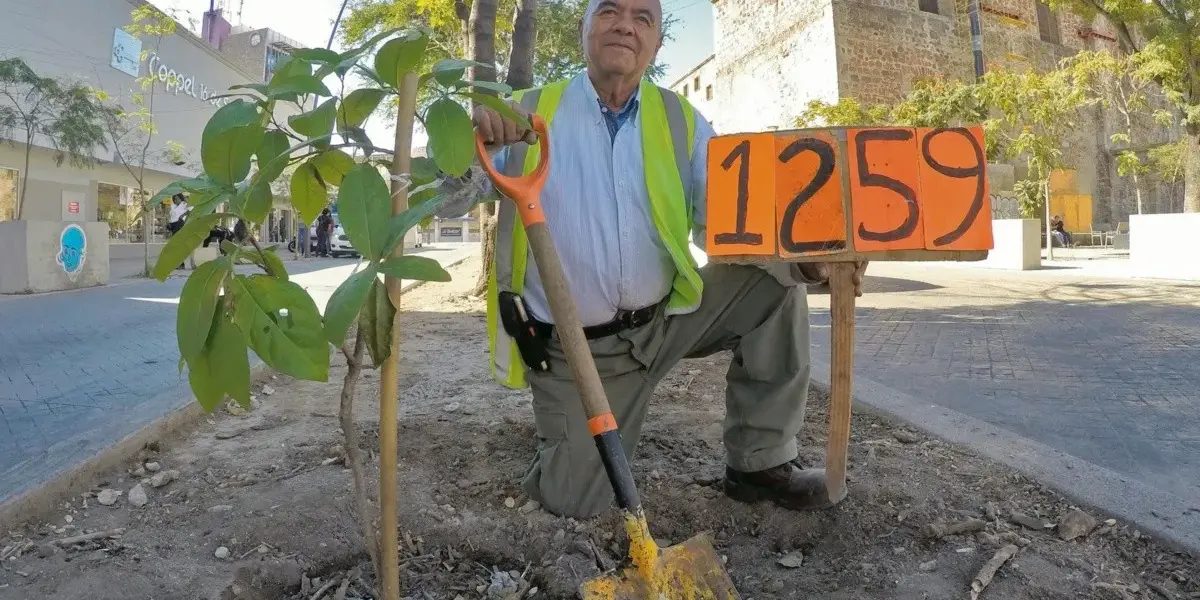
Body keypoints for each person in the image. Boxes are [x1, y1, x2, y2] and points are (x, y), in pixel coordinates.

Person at [440, 0, 868, 520]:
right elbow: (449, 197)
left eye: (643, 18)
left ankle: (759, 466)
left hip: (667, 322)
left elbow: (734, 228)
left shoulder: (680, 118)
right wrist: (464, 144)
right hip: (580, 353)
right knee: (575, 502)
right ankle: (567, 440)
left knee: (776, 283)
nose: (625, 24)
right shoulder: (525, 112)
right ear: (584, 30)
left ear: (658, 43)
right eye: (609, 12)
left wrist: (811, 263)